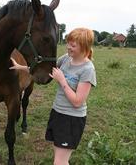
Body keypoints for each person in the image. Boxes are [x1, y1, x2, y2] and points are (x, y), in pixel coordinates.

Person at [10, 27, 96, 165]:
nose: (68, 47)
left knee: (59, 162)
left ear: (84, 46)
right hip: (58, 113)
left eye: (73, 45)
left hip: (71, 119)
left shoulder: (87, 69)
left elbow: (77, 102)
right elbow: (45, 71)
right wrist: (21, 67)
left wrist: (62, 80)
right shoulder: (67, 59)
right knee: (60, 159)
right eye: (68, 43)